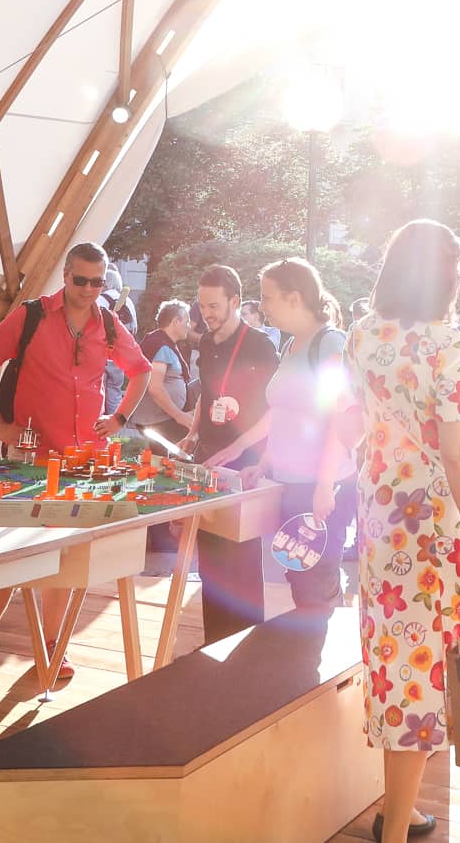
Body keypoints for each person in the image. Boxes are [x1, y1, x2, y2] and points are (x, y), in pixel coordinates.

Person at [350, 220, 460, 843]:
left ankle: (396, 809)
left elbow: (363, 415)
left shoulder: (362, 334)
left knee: (393, 659)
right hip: (429, 522)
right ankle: (397, 826)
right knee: (421, 669)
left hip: (380, 510)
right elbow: (459, 454)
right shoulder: (445, 344)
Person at [0, 242, 153, 685]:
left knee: (67, 557)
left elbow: (142, 370)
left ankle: (52, 645)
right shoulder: (30, 316)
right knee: (9, 554)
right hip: (26, 461)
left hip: (82, 463)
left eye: (97, 282)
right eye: (80, 279)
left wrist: (119, 418)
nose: (87, 289)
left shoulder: (110, 324)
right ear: (65, 275)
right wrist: (0, 428)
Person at [183, 264, 281, 643]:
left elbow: (277, 408)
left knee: (240, 558)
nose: (206, 314)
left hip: (245, 463)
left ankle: (246, 643)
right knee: (209, 557)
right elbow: (208, 396)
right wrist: (192, 435)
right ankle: (214, 641)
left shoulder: (259, 345)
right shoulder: (205, 343)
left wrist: (258, 456)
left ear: (236, 301)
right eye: (201, 305)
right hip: (208, 459)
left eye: (214, 306)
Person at [256, 259, 359, 611]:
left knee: (315, 585)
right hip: (289, 484)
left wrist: (324, 484)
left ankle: (324, 655)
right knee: (299, 578)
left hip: (319, 488)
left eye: (267, 298)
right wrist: (264, 461)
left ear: (294, 298)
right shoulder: (293, 346)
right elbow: (285, 413)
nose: (263, 307)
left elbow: (338, 416)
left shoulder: (330, 343)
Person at [128, 298, 197, 441]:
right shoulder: (160, 346)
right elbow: (155, 388)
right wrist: (180, 416)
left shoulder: (162, 343)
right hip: (158, 421)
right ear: (175, 321)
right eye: (187, 321)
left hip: (161, 418)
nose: (188, 326)